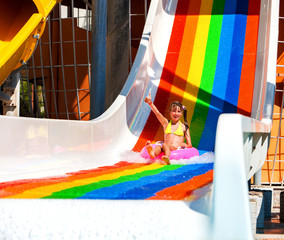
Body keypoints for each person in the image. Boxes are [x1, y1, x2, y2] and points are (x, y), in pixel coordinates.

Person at [144, 91, 192, 164]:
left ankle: (167, 158)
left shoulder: (184, 127)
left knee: (164, 145)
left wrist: (185, 145)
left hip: (175, 148)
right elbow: (157, 113)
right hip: (165, 146)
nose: (176, 113)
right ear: (170, 112)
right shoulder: (166, 123)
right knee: (158, 147)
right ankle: (152, 153)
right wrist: (150, 103)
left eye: (179, 111)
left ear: (181, 114)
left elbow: (190, 144)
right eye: (174, 111)